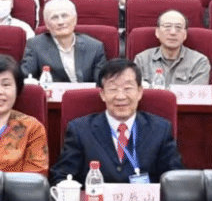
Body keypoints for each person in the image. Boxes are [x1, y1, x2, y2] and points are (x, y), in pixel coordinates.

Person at [52, 59, 183, 185]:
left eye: (128, 88)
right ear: (102, 94)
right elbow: (61, 177)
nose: (120, 96)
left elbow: (175, 180)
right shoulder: (80, 130)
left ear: (140, 92)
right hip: (97, 200)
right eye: (113, 89)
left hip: (144, 200)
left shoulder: (160, 129)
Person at [21, 0, 105, 84]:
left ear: (75, 20)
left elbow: (101, 84)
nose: (60, 22)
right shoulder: (35, 45)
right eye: (54, 17)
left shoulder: (94, 47)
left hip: (86, 92)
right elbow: (26, 78)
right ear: (47, 24)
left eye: (65, 16)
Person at [136, 9, 212, 87]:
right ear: (157, 32)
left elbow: (195, 93)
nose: (173, 32)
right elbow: (136, 91)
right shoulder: (142, 60)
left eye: (178, 27)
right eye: (167, 27)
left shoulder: (199, 62)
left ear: (185, 34)